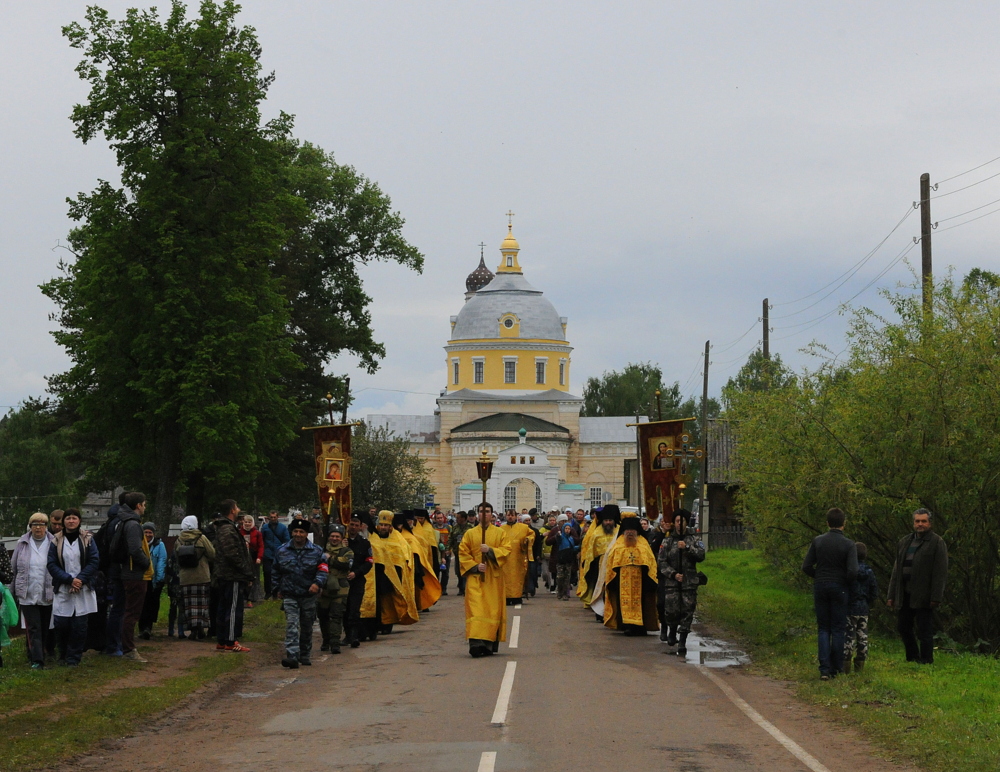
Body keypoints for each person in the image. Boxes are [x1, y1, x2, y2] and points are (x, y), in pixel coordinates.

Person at [802, 507, 858, 680]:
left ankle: (824, 669)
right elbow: (853, 571)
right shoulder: (849, 545)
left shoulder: (818, 541)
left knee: (824, 628)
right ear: (844, 523)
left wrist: (818, 576)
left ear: (827, 523)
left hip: (821, 585)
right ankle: (837, 667)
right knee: (838, 628)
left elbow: (806, 566)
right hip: (839, 587)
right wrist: (844, 582)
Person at [887, 508, 948, 665]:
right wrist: (891, 595)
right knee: (903, 627)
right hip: (904, 592)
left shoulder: (936, 542)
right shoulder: (904, 542)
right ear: (913, 523)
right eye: (917, 521)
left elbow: (940, 572)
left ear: (930, 523)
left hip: (924, 594)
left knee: (924, 630)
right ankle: (913, 657)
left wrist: (936, 596)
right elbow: (896, 570)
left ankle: (926, 659)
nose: (920, 524)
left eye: (923, 521)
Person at [274, 517, 328, 668]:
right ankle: (292, 655)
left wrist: (317, 584)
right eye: (295, 531)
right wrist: (277, 588)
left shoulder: (316, 551)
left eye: (301, 532)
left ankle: (304, 653)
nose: (298, 534)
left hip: (308, 595)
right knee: (292, 623)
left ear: (306, 534)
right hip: (289, 594)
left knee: (306, 625)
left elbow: (323, 569)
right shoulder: (282, 550)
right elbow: (275, 571)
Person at [458, 503, 512, 657]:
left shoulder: (500, 533)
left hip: (493, 578)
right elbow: (463, 553)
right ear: (477, 514)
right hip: (476, 577)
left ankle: (488, 644)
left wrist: (490, 551)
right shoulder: (470, 533)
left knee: (491, 610)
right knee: (476, 609)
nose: (484, 514)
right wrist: (475, 566)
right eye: (481, 511)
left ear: (491, 514)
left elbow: (506, 550)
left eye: (487, 511)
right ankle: (475, 642)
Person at [47, 508, 99, 666]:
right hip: (64, 586)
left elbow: (94, 561)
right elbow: (51, 563)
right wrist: (69, 580)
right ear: (63, 521)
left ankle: (74, 657)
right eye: (68, 518)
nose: (71, 521)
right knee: (62, 623)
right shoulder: (56, 540)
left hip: (83, 587)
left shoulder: (88, 538)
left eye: (74, 518)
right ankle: (62, 654)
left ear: (79, 521)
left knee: (79, 625)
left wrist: (80, 580)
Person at [595, 516, 659, 635]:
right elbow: (611, 563)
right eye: (627, 530)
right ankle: (626, 625)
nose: (630, 533)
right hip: (621, 580)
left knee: (642, 603)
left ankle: (641, 626)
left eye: (632, 530)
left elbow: (650, 561)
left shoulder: (643, 544)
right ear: (623, 531)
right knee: (622, 603)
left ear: (637, 531)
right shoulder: (618, 544)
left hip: (641, 580)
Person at [359, 510, 418, 640]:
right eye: (381, 525)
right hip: (376, 574)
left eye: (386, 525)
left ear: (391, 526)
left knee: (388, 600)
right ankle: (377, 625)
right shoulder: (374, 538)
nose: (383, 527)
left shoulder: (398, 540)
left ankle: (387, 623)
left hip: (392, 575)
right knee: (377, 602)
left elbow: (404, 558)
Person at [657, 509, 706, 655]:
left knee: (687, 611)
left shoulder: (694, 539)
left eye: (682, 521)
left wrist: (688, 548)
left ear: (686, 522)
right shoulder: (667, 541)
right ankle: (672, 630)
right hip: (672, 583)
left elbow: (701, 555)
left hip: (689, 582)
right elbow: (661, 562)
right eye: (677, 521)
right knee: (671, 611)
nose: (679, 524)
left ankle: (683, 640)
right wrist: (672, 574)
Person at [112, 492, 152, 662]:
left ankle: (125, 646)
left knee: (126, 611)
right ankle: (129, 649)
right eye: (144, 503)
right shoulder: (134, 525)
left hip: (127, 572)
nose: (145, 506)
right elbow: (135, 549)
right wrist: (146, 564)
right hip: (134, 574)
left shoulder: (124, 521)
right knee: (132, 613)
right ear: (138, 505)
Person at [11, 513, 55, 668]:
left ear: (46, 527)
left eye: (42, 524)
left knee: (44, 627)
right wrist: (12, 591)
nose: (38, 527)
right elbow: (14, 568)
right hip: (27, 592)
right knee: (34, 627)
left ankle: (36, 654)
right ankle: (38, 660)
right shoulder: (22, 543)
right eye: (35, 524)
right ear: (30, 527)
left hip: (47, 591)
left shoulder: (53, 542)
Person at [212, 499, 255, 652]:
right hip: (232, 576)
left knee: (225, 607)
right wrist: (246, 571)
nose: (238, 509)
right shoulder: (227, 529)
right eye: (236, 507)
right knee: (232, 608)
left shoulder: (227, 528)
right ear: (231, 510)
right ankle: (230, 641)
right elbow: (232, 555)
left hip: (227, 575)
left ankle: (223, 640)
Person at [175, 514, 215, 641]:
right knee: (201, 605)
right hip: (202, 576)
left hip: (185, 577)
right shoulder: (201, 538)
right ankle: (201, 629)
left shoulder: (179, 539)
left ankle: (192, 630)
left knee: (188, 606)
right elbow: (212, 554)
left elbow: (176, 557)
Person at [317, 524, 352, 654]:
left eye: (337, 536)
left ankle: (335, 642)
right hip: (324, 588)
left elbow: (346, 563)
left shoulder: (347, 551)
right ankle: (326, 640)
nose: (334, 538)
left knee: (336, 616)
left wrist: (330, 558)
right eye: (332, 536)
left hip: (340, 590)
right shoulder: (321, 550)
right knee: (323, 615)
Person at [845, 542, 879, 673]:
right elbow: (874, 591)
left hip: (849, 607)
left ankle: (845, 664)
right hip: (863, 608)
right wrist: (867, 601)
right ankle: (860, 665)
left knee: (848, 637)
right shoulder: (869, 571)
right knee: (862, 637)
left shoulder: (848, 570)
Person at [397, 511, 441, 612]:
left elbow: (429, 547)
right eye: (406, 521)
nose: (408, 523)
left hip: (422, 562)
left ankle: (423, 604)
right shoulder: (402, 535)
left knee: (421, 585)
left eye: (410, 520)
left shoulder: (421, 531)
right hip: (409, 563)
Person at [577, 506, 620, 607]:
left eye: (610, 520)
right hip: (599, 565)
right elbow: (590, 550)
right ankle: (599, 609)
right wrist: (587, 563)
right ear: (603, 521)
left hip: (616, 563)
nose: (608, 522)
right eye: (606, 520)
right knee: (600, 587)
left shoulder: (619, 531)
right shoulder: (596, 533)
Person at [343, 513, 373, 648]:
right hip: (342, 581)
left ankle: (354, 636)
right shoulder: (342, 541)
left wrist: (357, 572)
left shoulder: (365, 543)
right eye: (351, 525)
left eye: (356, 525)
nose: (353, 527)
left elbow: (369, 562)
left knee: (354, 609)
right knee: (345, 609)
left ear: (360, 527)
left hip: (358, 580)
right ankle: (347, 635)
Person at [138, 522, 167, 640]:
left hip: (154, 580)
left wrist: (159, 578)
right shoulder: (139, 544)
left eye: (150, 532)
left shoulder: (160, 545)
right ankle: (141, 627)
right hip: (142, 578)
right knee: (141, 604)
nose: (148, 535)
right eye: (146, 532)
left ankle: (148, 628)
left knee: (152, 604)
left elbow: (162, 561)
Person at [499, 509, 534, 605]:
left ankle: (517, 597)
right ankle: (505, 597)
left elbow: (532, 535)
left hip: (518, 557)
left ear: (516, 516)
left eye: (512, 515)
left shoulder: (523, 528)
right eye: (508, 515)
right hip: (505, 558)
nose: (510, 517)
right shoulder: (501, 529)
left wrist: (527, 540)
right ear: (506, 516)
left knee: (517, 577)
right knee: (505, 578)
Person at [260, 510, 290, 600]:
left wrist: (284, 551)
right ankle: (268, 592)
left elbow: (286, 540)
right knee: (267, 573)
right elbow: (261, 540)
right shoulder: (265, 527)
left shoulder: (283, 527)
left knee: (278, 574)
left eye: (274, 517)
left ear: (277, 517)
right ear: (269, 518)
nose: (273, 519)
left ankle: (276, 592)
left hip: (278, 554)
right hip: (267, 554)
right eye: (271, 517)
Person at [546, 521, 579, 600]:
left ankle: (565, 594)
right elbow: (558, 538)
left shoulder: (571, 539)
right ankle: (560, 591)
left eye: (569, 529)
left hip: (568, 560)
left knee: (567, 578)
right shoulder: (560, 537)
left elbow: (573, 547)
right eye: (566, 528)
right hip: (560, 560)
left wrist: (579, 547)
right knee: (560, 577)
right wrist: (558, 535)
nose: (567, 530)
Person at [239, 515, 264, 607]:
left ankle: (251, 598)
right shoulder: (239, 532)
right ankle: (243, 598)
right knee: (244, 579)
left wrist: (259, 557)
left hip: (254, 559)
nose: (247, 524)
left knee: (253, 579)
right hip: (243, 559)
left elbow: (261, 546)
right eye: (246, 522)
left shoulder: (257, 533)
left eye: (249, 522)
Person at [448, 511, 474, 596]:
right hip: (457, 553)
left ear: (463, 518)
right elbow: (451, 539)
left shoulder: (471, 528)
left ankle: (466, 588)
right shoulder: (455, 528)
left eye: (458, 518)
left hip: (468, 554)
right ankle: (461, 588)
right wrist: (448, 548)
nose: (457, 519)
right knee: (458, 571)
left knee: (466, 571)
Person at [432, 511, 452, 594]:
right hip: (437, 553)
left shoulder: (448, 527)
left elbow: (451, 539)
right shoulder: (432, 528)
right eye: (438, 518)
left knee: (445, 572)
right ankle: (436, 589)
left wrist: (448, 549)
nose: (440, 519)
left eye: (441, 518)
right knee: (436, 572)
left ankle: (444, 589)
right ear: (435, 519)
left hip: (446, 552)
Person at [539, 514, 557, 592]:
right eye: (551, 520)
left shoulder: (557, 529)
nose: (552, 522)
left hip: (553, 553)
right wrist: (543, 535)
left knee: (552, 572)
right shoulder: (543, 529)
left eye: (553, 520)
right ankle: (547, 582)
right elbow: (538, 539)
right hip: (544, 553)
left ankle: (552, 586)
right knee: (545, 573)